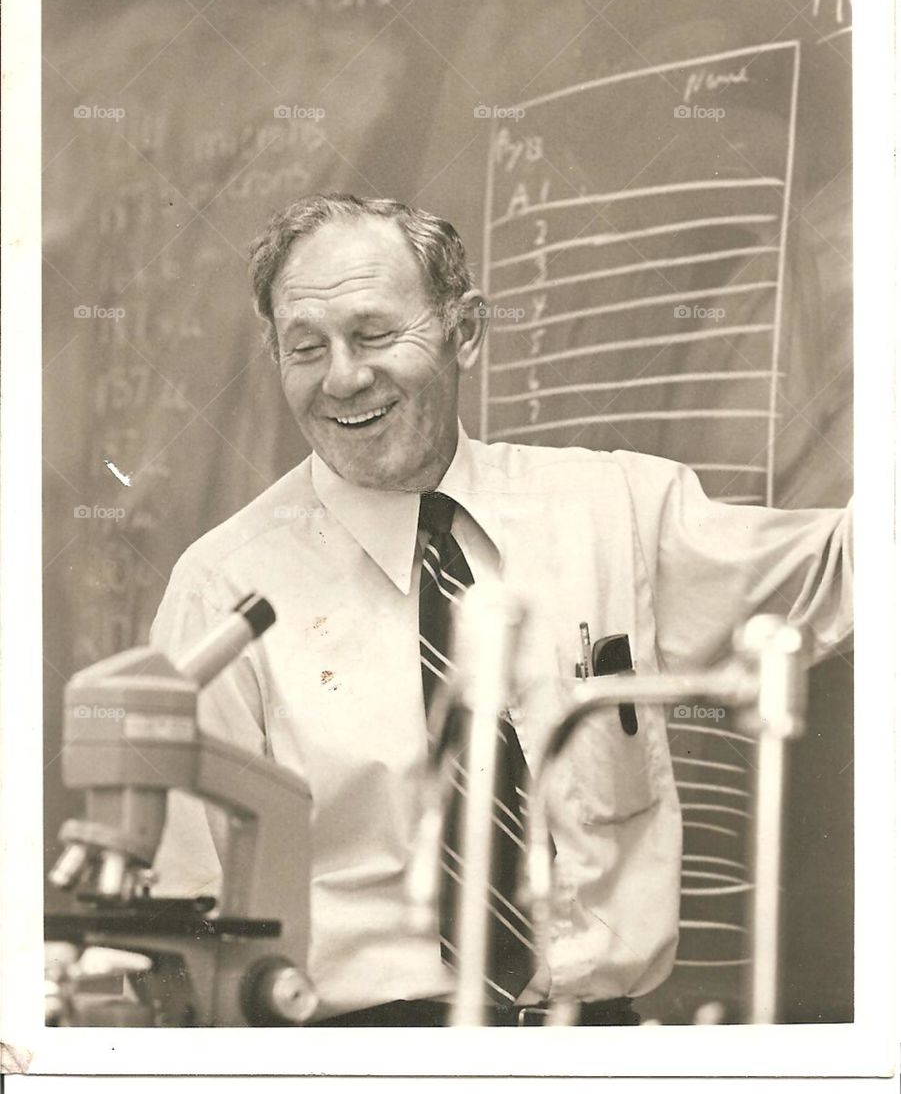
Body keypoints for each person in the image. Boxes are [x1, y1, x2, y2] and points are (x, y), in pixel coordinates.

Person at [150, 193, 853, 1026]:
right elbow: (188, 918)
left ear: (466, 331)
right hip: (358, 1055)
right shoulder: (224, 590)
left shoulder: (613, 510)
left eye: (374, 335)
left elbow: (849, 570)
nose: (342, 377)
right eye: (305, 348)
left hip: (599, 1047)